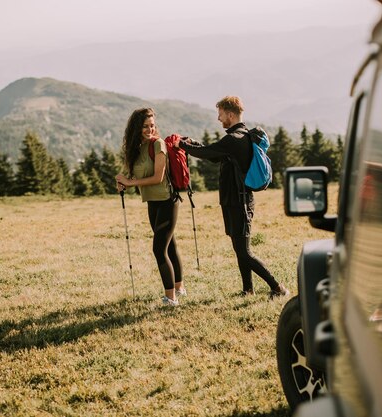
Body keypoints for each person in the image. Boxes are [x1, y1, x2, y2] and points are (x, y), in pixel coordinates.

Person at [179, 96, 289, 299]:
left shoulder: (235, 139)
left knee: (244, 251)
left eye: (220, 114)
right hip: (233, 200)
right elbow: (214, 155)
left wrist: (182, 145)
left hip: (240, 202)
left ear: (230, 114)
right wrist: (191, 143)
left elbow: (207, 153)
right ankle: (248, 290)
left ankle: (277, 287)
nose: (218, 118)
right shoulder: (237, 138)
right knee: (240, 249)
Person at [115, 108, 184, 306]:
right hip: (152, 202)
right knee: (170, 245)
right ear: (137, 128)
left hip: (167, 201)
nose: (150, 129)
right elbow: (137, 176)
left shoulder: (158, 144)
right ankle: (179, 288)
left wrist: (130, 183)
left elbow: (157, 177)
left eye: (152, 125)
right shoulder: (137, 148)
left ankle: (170, 298)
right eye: (145, 126)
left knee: (159, 248)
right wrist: (124, 181)